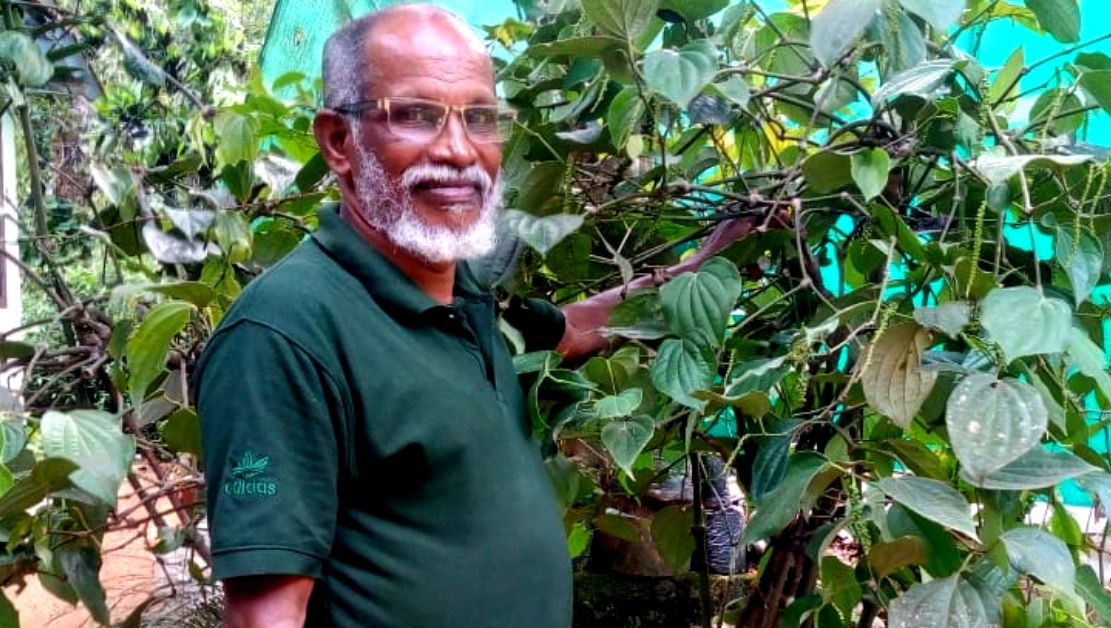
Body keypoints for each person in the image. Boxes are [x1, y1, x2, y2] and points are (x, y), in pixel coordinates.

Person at [197, 5, 757, 627]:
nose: (459, 151)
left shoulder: (467, 295)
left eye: (480, 118)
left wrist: (703, 265)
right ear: (338, 142)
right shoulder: (285, 333)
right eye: (415, 115)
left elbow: (574, 329)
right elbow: (265, 617)